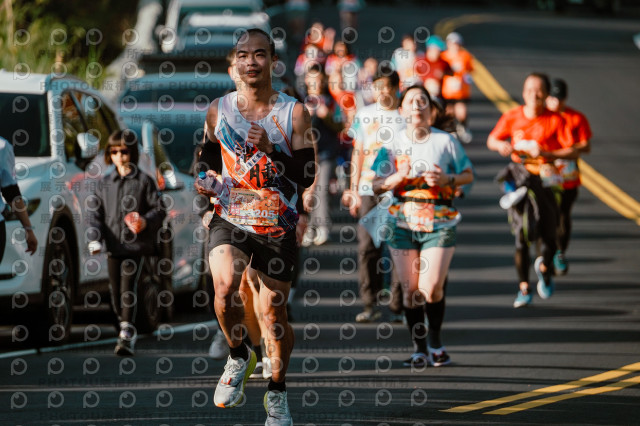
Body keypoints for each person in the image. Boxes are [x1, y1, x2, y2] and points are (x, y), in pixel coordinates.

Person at [196, 28, 315, 425]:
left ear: (273, 61)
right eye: (244, 55)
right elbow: (208, 153)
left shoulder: (294, 113)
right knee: (224, 288)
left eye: (259, 54)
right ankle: (238, 355)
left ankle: (277, 392)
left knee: (273, 314)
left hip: (277, 223)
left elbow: (307, 173)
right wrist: (204, 180)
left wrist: (272, 149)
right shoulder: (219, 109)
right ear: (235, 63)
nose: (251, 61)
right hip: (231, 214)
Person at [371, 85, 474, 367]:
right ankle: (419, 348)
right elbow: (375, 184)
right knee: (411, 291)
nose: (417, 105)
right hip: (401, 223)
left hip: (440, 221)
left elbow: (468, 175)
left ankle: (436, 342)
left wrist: (446, 180)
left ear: (432, 110)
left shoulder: (446, 141)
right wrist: (397, 178)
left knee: (431, 288)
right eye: (411, 101)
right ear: (402, 109)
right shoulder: (391, 143)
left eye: (423, 101)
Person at [487, 72, 572, 308]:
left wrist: (547, 153)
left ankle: (544, 267)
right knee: (521, 234)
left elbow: (573, 150)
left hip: (546, 179)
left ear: (546, 94)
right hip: (520, 177)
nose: (534, 95)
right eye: (529, 90)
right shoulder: (512, 116)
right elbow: (492, 140)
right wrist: (501, 145)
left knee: (549, 234)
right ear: (523, 93)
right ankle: (524, 287)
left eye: (539, 90)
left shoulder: (556, 120)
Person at [88, 130, 166, 356]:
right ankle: (124, 325)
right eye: (114, 151)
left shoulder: (144, 181)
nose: (119, 156)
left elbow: (159, 209)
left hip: (135, 246)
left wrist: (145, 221)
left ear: (132, 152)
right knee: (115, 292)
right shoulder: (104, 183)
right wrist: (94, 238)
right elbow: (95, 215)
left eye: (123, 151)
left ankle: (126, 332)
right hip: (113, 247)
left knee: (127, 287)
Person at [342, 66, 402, 323]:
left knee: (399, 247)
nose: (381, 92)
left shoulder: (405, 115)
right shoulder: (365, 114)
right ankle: (370, 303)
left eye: (386, 87)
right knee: (368, 247)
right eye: (377, 87)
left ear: (396, 88)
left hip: (399, 189)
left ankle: (399, 307)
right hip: (368, 188)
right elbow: (358, 152)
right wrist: (353, 189)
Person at [545, 78, 592, 275]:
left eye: (559, 98)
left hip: (568, 174)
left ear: (565, 99)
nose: (556, 102)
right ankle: (545, 254)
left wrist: (569, 150)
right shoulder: (542, 117)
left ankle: (560, 252)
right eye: (552, 98)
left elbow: (586, 146)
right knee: (548, 214)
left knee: (564, 214)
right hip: (546, 171)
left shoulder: (576, 118)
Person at [301, 63, 343, 246]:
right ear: (306, 80)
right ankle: (308, 228)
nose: (315, 83)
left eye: (319, 80)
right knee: (306, 191)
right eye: (312, 79)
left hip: (326, 154)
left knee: (322, 188)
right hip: (305, 155)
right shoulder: (300, 100)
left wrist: (327, 116)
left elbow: (340, 126)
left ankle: (323, 228)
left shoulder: (331, 101)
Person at [0, 137, 37, 263]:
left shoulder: (2, 147)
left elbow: (11, 193)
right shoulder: (2, 146)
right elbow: (11, 193)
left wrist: (28, 229)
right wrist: (28, 230)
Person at [441, 32, 474, 143]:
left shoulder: (465, 56)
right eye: (452, 43)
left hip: (461, 91)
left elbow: (470, 70)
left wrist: (467, 77)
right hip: (447, 91)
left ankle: (463, 128)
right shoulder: (443, 56)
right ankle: (451, 131)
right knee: (449, 112)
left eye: (456, 43)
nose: (454, 46)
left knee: (461, 112)